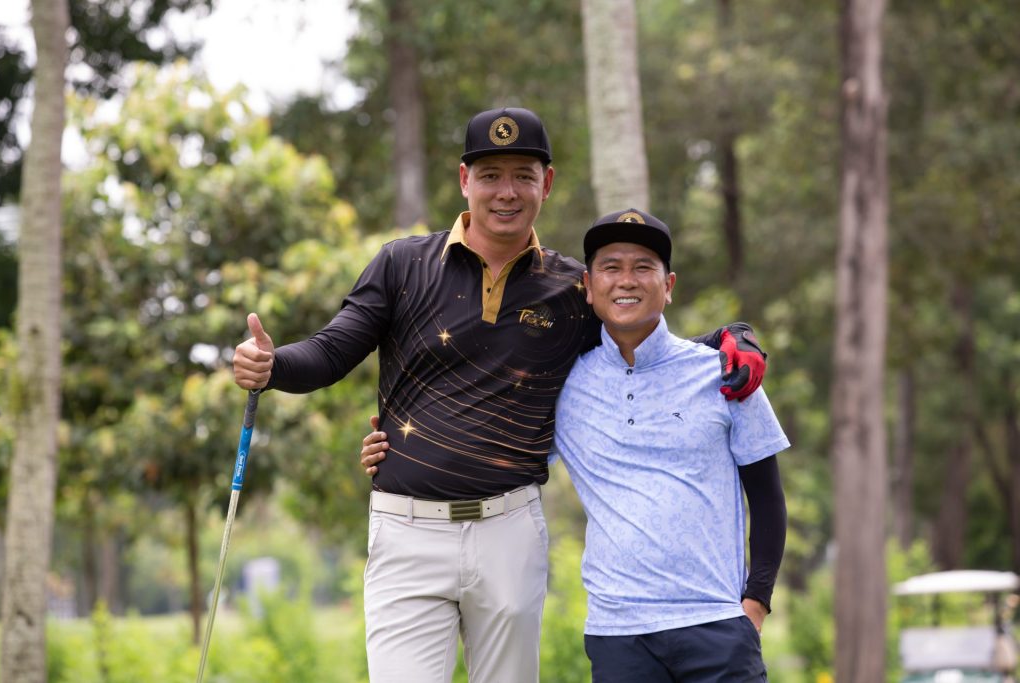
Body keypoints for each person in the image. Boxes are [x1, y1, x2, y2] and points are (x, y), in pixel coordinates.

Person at [233, 108, 768, 683]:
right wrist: (273, 365)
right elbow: (332, 351)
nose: (506, 192)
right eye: (490, 175)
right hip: (407, 530)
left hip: (509, 531)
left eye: (523, 175)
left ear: (547, 183)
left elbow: (642, 331)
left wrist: (731, 338)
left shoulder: (571, 289)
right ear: (465, 179)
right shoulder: (402, 265)